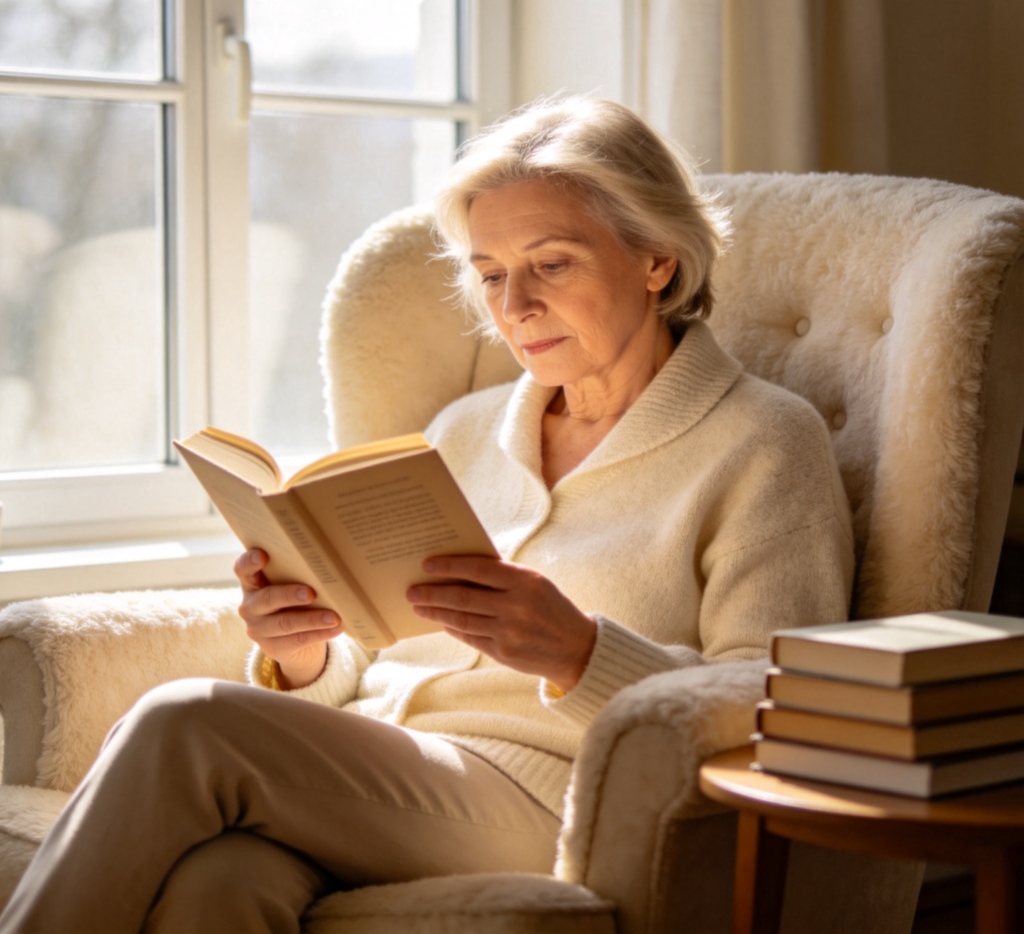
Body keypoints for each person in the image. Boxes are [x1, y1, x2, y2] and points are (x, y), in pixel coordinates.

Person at [0, 94, 853, 933]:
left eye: (551, 264)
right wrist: (302, 655)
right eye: (491, 276)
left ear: (656, 259)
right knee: (219, 884)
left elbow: (779, 706)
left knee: (184, 719)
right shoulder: (466, 430)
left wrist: (581, 652)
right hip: (382, 773)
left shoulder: (765, 441)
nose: (513, 308)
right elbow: (374, 651)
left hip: (560, 796)